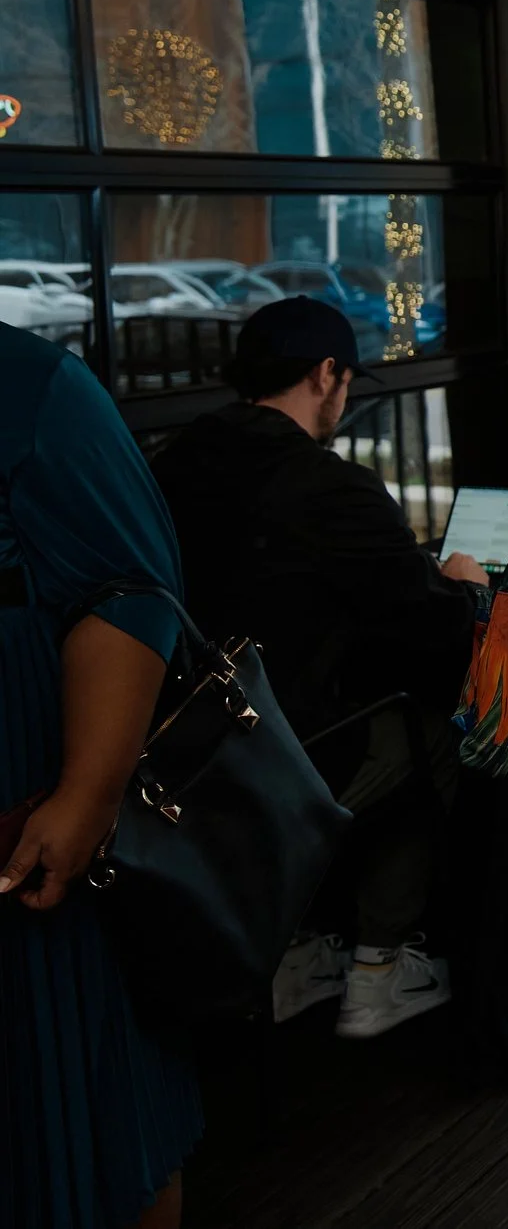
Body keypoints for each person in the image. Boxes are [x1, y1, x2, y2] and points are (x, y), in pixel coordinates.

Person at [150, 297, 488, 1036]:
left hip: (172, 757)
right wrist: (464, 583)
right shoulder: (326, 484)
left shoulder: (176, 460)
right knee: (428, 722)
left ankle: (298, 952)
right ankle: (379, 967)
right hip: (269, 764)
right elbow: (435, 623)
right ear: (326, 373)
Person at [1, 322, 198, 1229]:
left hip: (27, 851)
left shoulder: (31, 383)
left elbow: (131, 584)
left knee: (80, 1116)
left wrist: (87, 794)